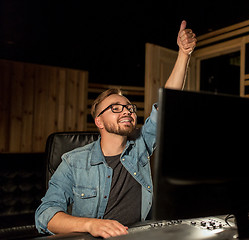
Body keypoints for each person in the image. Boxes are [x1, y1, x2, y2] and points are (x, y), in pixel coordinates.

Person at [35, 20, 196, 238]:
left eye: (129, 107)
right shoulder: (73, 162)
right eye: (115, 108)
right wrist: (91, 225)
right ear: (99, 121)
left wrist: (184, 55)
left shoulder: (140, 146)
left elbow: (167, 105)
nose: (127, 111)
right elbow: (45, 215)